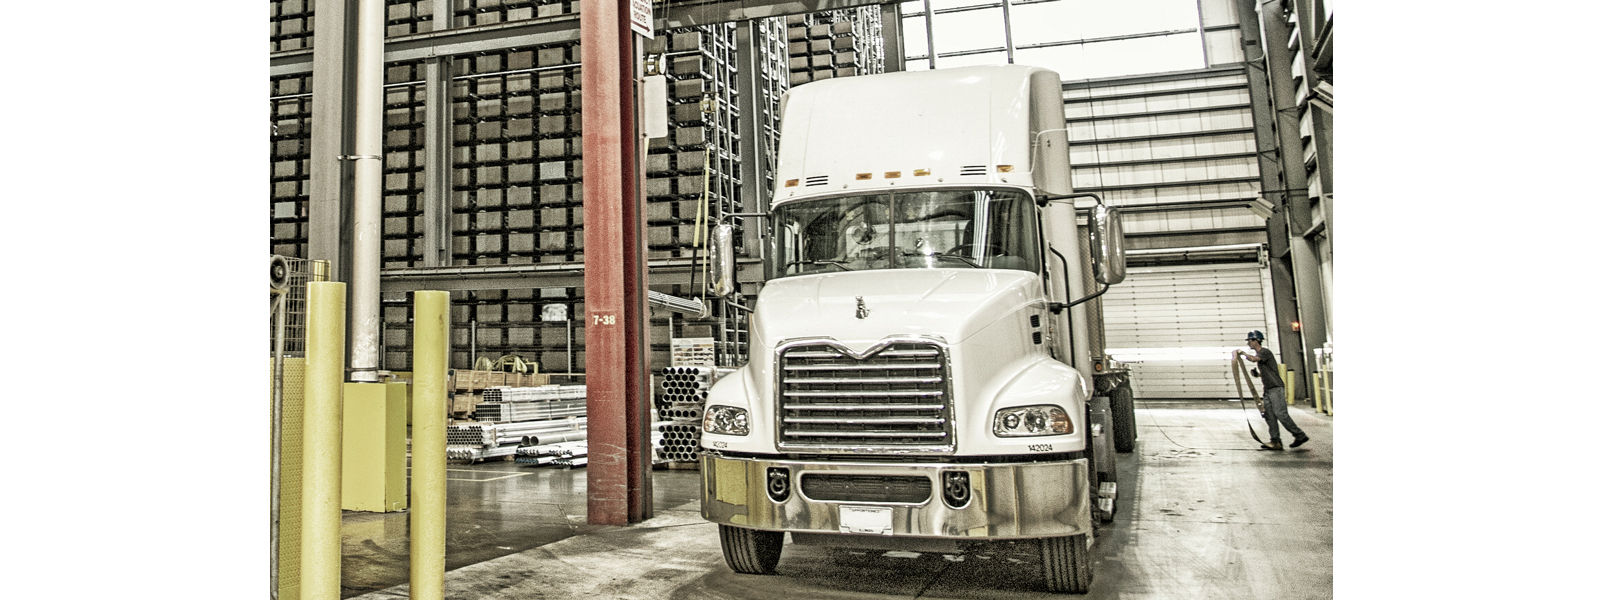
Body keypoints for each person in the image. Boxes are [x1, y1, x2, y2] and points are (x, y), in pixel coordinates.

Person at [1235, 330, 1309, 451]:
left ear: (1256, 340)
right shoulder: (1261, 354)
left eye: (1250, 340)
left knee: (1281, 414)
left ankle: (1299, 435)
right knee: (1269, 415)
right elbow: (1268, 371)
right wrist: (1258, 374)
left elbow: (1254, 359)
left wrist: (1242, 353)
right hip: (1268, 389)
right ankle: (1275, 441)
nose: (1248, 342)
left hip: (1276, 388)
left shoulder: (1264, 352)